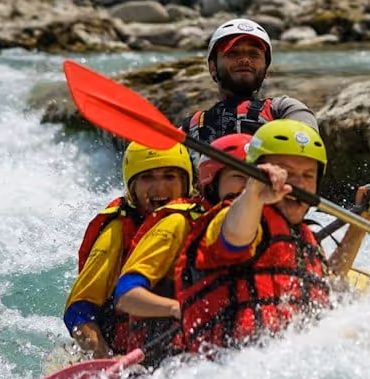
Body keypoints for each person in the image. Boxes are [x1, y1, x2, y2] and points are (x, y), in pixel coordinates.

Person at [176, 119, 335, 353]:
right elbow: (235, 237)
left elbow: (328, 289)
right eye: (286, 172)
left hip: (295, 362)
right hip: (228, 366)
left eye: (308, 175)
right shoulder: (232, 215)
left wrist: (359, 228)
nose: (298, 183)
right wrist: (253, 194)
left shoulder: (304, 236)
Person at [103, 133, 257, 356]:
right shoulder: (177, 222)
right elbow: (126, 295)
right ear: (212, 183)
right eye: (239, 176)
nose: (250, 187)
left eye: (256, 179)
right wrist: (178, 309)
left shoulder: (268, 222)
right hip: (166, 355)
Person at [64, 142, 197, 357]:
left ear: (185, 182)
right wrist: (103, 355)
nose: (159, 188)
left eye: (169, 176)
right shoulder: (117, 231)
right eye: (147, 178)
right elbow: (78, 312)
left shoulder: (199, 218)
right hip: (118, 347)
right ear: (132, 187)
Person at [186, 19, 319, 144]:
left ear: (266, 68)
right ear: (212, 67)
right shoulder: (192, 127)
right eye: (233, 53)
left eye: (254, 54)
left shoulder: (285, 110)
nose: (245, 60)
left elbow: (307, 150)